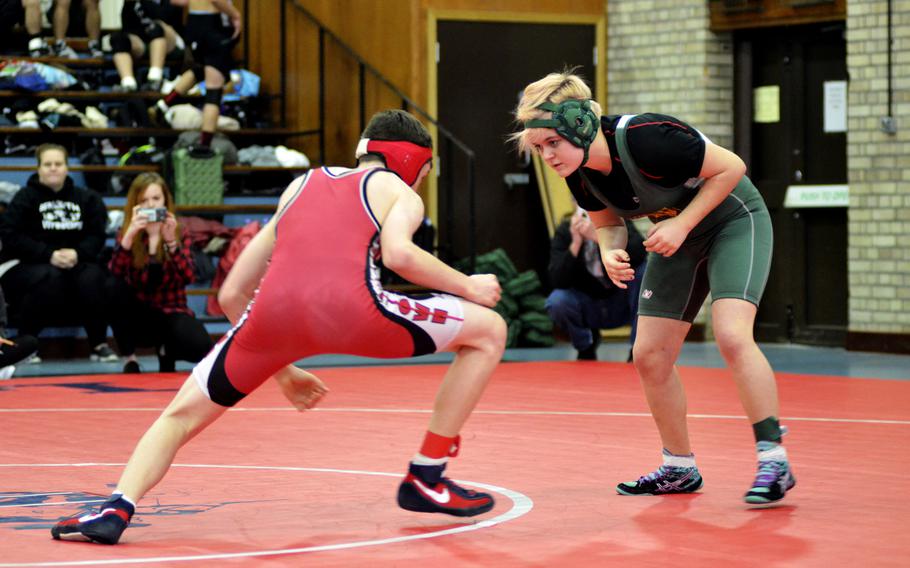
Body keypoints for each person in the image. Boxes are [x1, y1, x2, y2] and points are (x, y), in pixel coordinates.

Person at [50, 109, 507, 545]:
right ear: (412, 160)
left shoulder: (301, 184)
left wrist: (281, 368)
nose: (422, 181)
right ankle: (427, 475)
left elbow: (232, 295)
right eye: (424, 172)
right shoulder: (397, 190)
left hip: (270, 322)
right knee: (488, 331)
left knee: (178, 417)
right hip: (353, 310)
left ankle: (116, 507)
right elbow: (399, 256)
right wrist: (469, 284)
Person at [513, 70, 794, 505]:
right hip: (675, 233)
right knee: (649, 355)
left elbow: (732, 167)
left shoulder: (649, 137)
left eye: (553, 142)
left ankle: (773, 457)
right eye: (539, 147)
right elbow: (607, 225)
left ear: (581, 126)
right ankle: (679, 467)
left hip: (733, 219)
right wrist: (609, 251)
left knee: (732, 334)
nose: (548, 156)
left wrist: (682, 222)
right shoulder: (578, 171)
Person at [0, 143, 118, 363]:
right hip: (31, 263)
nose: (53, 168)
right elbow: (11, 235)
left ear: (66, 168)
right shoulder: (24, 198)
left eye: (58, 164)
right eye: (47, 164)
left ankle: (99, 344)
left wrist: (77, 253)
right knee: (49, 276)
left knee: (94, 277)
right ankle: (28, 344)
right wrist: (49, 254)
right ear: (39, 168)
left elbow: (97, 235)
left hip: (77, 260)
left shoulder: (87, 198)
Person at [109, 173, 213, 374]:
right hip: (137, 314)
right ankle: (129, 358)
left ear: (165, 200)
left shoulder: (178, 230)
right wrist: (129, 237)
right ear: (135, 204)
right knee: (112, 286)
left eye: (156, 199)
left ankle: (167, 351)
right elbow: (114, 274)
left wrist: (170, 244)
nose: (151, 206)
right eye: (144, 201)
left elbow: (189, 276)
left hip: (170, 310)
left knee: (201, 347)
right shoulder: (128, 232)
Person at [547, 207, 646, 361]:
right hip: (588, 303)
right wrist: (575, 243)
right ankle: (586, 346)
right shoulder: (565, 230)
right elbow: (557, 279)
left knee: (643, 274)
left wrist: (600, 238)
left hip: (620, 299)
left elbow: (640, 253)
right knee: (557, 301)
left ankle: (637, 350)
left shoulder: (617, 222)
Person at [150, 0, 241, 149]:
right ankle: (204, 147)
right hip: (211, 24)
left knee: (200, 70)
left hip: (194, 23)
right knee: (214, 90)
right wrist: (235, 15)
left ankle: (163, 105)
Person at [110, 0, 186, 92]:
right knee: (119, 39)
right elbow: (128, 28)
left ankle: (155, 78)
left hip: (172, 40)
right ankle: (128, 82)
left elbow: (165, 18)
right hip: (144, 41)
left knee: (155, 28)